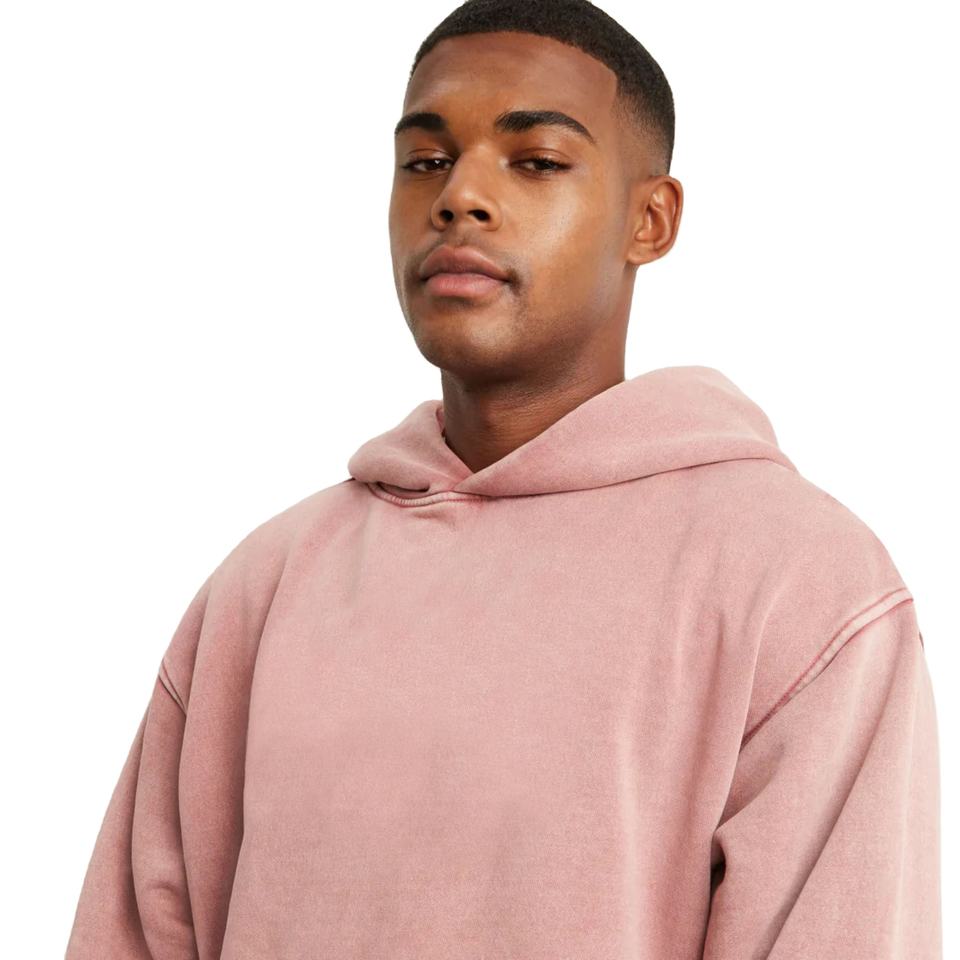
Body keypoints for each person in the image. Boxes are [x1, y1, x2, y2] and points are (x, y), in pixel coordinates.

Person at [65, 1, 942, 957]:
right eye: (426, 161)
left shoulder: (799, 584)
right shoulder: (266, 587)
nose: (460, 197)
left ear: (650, 220)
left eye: (536, 160)